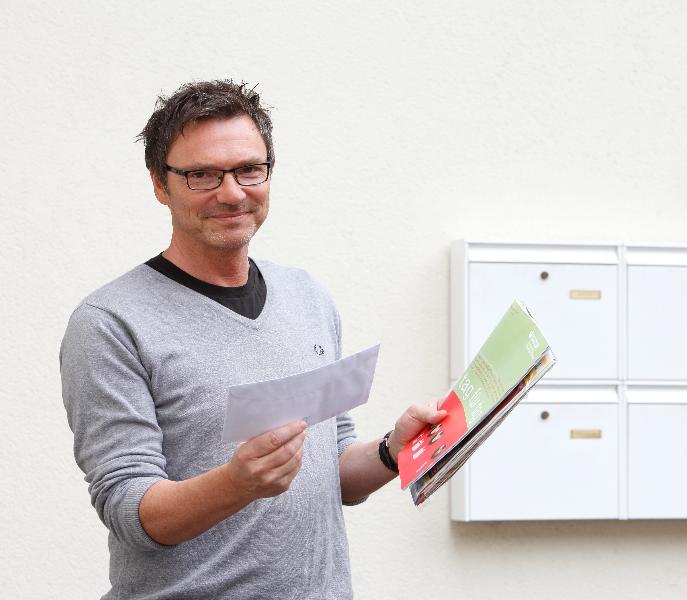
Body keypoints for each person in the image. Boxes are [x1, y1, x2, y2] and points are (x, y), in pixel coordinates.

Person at [60, 79, 445, 599]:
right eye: (201, 175)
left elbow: (329, 473)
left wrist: (391, 451)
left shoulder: (308, 297)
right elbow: (129, 509)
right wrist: (237, 484)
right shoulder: (110, 322)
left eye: (248, 169)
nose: (232, 192)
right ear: (159, 184)